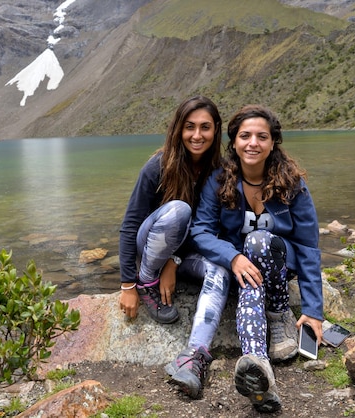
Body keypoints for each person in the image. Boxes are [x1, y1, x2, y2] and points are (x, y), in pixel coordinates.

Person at [190, 104, 324, 413]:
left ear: (273, 142)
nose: (253, 143)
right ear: (234, 141)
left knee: (260, 241)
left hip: (278, 264)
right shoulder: (219, 180)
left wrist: (314, 310)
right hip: (242, 269)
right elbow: (201, 231)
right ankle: (258, 364)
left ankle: (278, 314)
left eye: (261, 136)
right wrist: (233, 257)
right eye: (245, 135)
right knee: (250, 266)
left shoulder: (292, 183)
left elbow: (308, 247)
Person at [118, 95, 231, 398]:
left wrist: (176, 260)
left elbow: (210, 229)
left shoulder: (220, 171)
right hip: (150, 248)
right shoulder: (158, 166)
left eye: (205, 127)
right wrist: (128, 283)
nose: (197, 135)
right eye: (189, 127)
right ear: (178, 130)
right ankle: (146, 282)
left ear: (215, 130)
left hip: (181, 254)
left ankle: (194, 356)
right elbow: (130, 225)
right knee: (179, 210)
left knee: (220, 269)